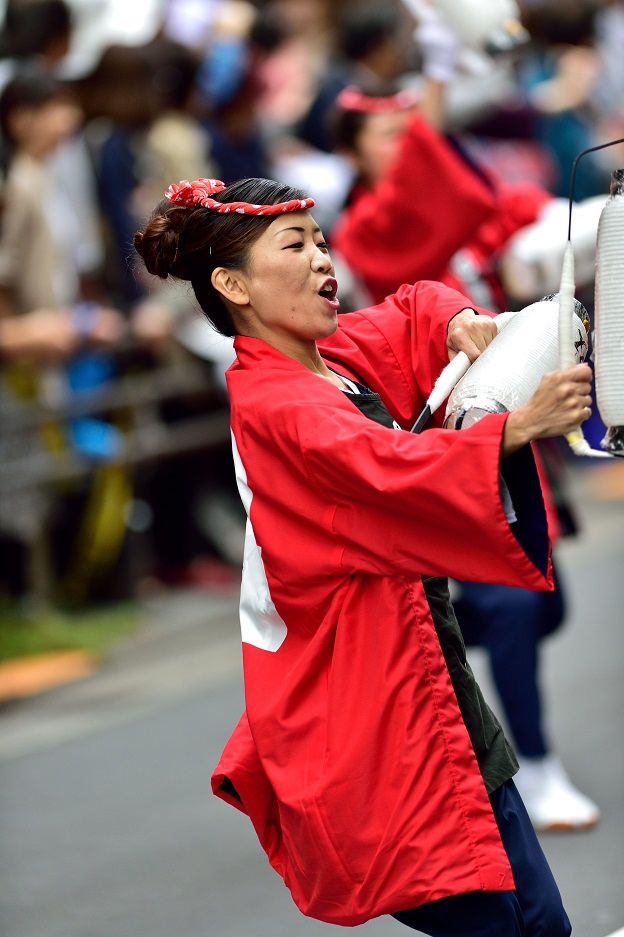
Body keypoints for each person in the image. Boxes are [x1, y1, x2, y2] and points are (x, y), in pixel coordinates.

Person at [134, 176, 593, 936]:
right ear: (232, 284)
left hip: (432, 680)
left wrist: (461, 321)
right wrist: (511, 429)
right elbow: (384, 470)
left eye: (319, 240)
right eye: (295, 245)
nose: (323, 259)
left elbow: (412, 309)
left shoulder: (328, 354)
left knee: (543, 923)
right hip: (372, 713)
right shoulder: (276, 402)